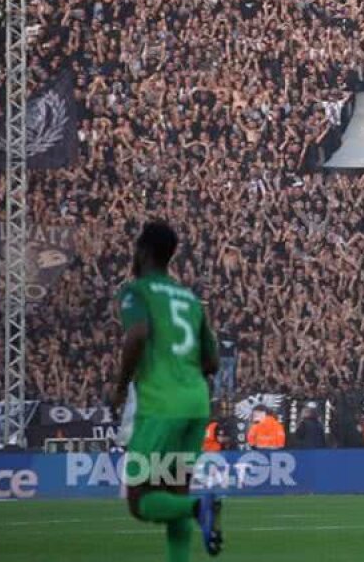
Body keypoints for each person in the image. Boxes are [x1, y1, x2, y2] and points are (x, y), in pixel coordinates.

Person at [109, 221, 224, 559]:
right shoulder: (189, 299)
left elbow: (137, 335)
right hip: (196, 403)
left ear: (142, 251)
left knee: (140, 501)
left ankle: (197, 507)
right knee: (174, 490)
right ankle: (191, 510)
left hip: (161, 407)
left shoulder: (137, 291)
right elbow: (213, 360)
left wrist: (120, 387)